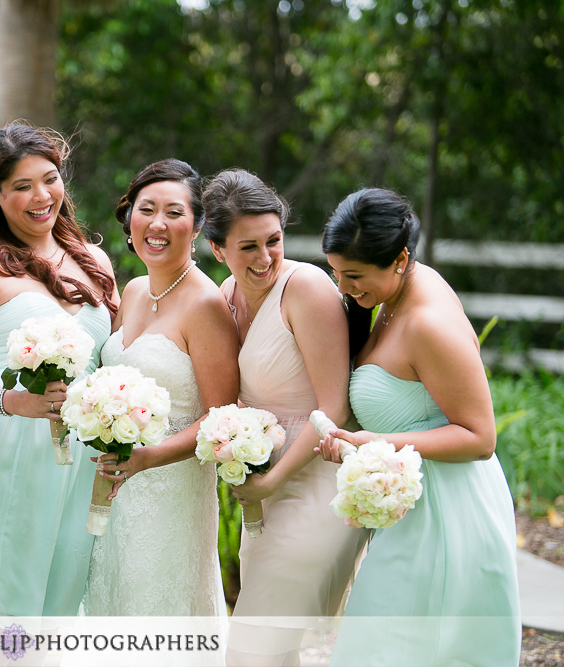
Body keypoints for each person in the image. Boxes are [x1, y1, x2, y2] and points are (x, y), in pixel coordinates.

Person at [0, 123, 117, 660]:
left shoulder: (94, 262)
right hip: (2, 454)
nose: (42, 197)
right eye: (22, 186)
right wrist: (11, 400)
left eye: (50, 179)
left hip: (78, 463)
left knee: (57, 612)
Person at [317, 188, 521, 666]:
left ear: (400, 259)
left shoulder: (428, 322)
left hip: (450, 515)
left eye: (354, 276)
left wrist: (378, 442)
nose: (344, 289)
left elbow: (480, 436)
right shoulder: (395, 293)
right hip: (412, 504)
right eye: (336, 273)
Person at [201, 169, 369, 665]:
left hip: (317, 481)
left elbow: (334, 408)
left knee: (251, 650)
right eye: (247, 246)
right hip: (264, 489)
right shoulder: (225, 299)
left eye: (273, 240)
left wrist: (273, 480)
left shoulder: (306, 288)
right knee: (276, 650)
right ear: (217, 249)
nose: (265, 257)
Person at [85, 159, 239, 622]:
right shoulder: (131, 291)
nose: (157, 224)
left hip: (171, 490)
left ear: (195, 227)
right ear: (129, 219)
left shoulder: (206, 304)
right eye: (146, 209)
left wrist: (148, 458)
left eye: (174, 213)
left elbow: (222, 416)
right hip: (113, 486)